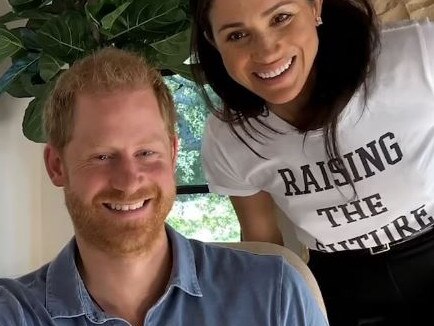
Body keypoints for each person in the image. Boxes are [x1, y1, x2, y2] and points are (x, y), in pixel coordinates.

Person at [0, 48, 328, 326]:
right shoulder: (14, 312)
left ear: (172, 154)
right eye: (101, 156)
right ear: (57, 166)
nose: (129, 181)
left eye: (146, 153)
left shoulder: (274, 294)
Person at [190, 0, 434, 325]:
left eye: (281, 17)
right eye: (236, 35)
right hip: (340, 285)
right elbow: (263, 245)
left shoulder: (416, 55)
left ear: (315, 7)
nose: (266, 51)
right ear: (213, 41)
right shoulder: (229, 137)